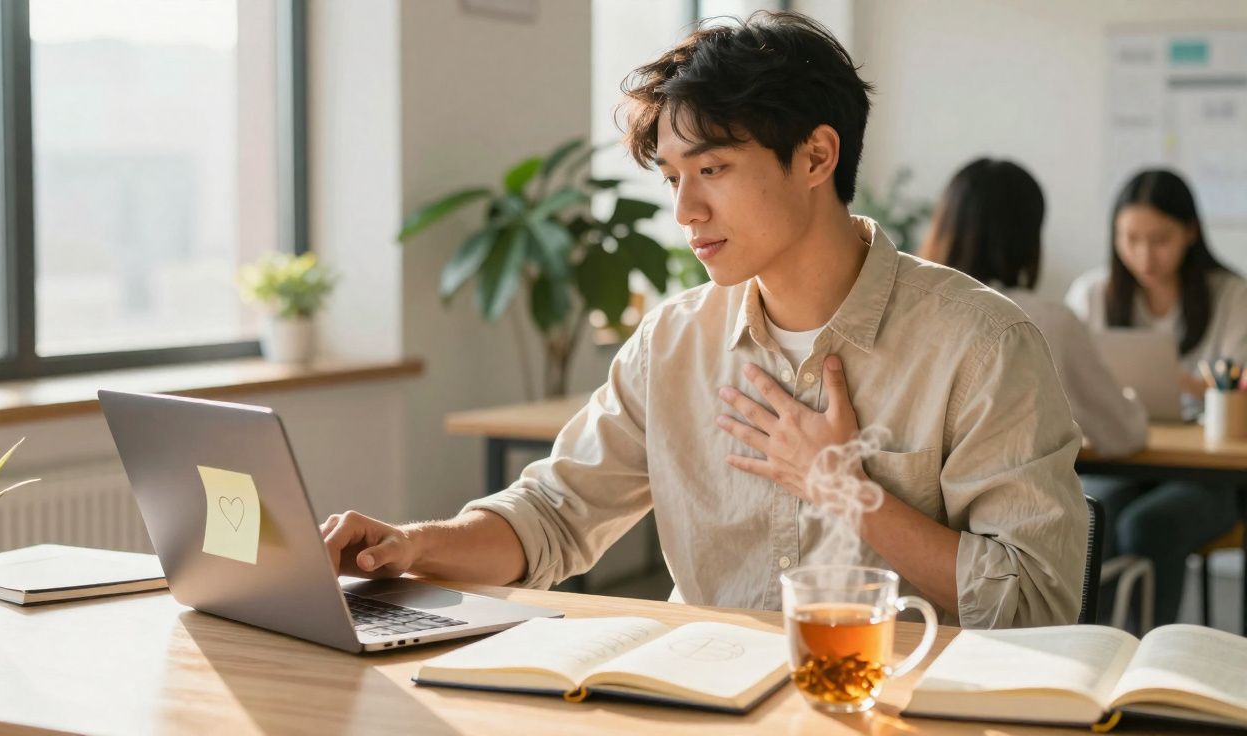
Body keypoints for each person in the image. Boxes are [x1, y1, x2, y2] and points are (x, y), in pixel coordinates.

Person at [323, 11, 1087, 628]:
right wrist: (413, 544)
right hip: (703, 706)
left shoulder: (981, 344)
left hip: (899, 709)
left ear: (817, 157)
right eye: (673, 178)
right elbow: (554, 517)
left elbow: (1033, 605)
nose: (686, 212)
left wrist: (847, 489)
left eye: (713, 170)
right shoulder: (673, 341)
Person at [1065, 168, 1247, 626]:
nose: (1144, 255)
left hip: (1209, 472)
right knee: (1089, 517)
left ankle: (1149, 663)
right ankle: (1091, 650)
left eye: (1160, 239)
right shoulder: (1094, 293)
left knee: (1150, 525)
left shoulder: (1231, 296)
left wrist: (1181, 381)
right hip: (1122, 451)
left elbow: (1239, 385)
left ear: (1190, 232)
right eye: (1130, 238)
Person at [920, 158, 1147, 457]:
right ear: (1028, 236)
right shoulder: (1048, 321)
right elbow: (1123, 434)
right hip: (1017, 501)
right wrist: (1132, 400)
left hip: (909, 501)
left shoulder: (911, 311)